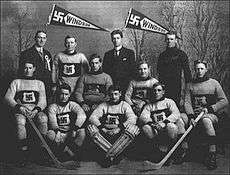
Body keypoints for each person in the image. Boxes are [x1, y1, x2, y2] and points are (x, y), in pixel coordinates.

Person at [184, 60, 229, 170]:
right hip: (194, 115)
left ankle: (212, 154)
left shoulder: (214, 83)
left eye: (201, 68)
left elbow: (224, 101)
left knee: (206, 121)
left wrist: (210, 108)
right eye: (197, 69)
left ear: (206, 69)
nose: (199, 71)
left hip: (210, 115)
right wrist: (190, 116)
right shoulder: (190, 84)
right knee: (181, 119)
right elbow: (187, 102)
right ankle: (183, 151)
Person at [4, 59, 47, 164]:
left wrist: (36, 111)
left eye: (30, 68)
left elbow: (43, 101)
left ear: (34, 69)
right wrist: (20, 108)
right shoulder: (16, 82)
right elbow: (7, 98)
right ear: (22, 69)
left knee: (43, 119)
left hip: (35, 110)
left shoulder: (39, 83)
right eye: (25, 67)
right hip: (21, 110)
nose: (27, 70)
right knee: (20, 123)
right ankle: (23, 153)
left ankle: (41, 152)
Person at [87, 85, 139, 167]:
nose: (113, 97)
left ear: (120, 94)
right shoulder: (103, 105)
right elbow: (92, 117)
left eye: (116, 94)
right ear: (108, 94)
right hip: (105, 133)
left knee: (134, 129)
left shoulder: (124, 105)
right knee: (91, 128)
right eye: (111, 94)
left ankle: (109, 156)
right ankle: (115, 155)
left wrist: (120, 128)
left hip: (120, 133)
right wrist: (102, 128)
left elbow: (132, 118)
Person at [139, 82, 186, 164]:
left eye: (159, 90)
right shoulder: (149, 105)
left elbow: (176, 113)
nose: (156, 92)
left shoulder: (169, 102)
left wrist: (165, 122)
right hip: (156, 130)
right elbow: (143, 117)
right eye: (154, 91)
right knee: (145, 128)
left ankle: (173, 151)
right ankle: (158, 152)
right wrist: (152, 124)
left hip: (169, 129)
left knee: (171, 126)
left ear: (163, 92)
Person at [46, 83, 87, 163]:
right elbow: (52, 121)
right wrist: (57, 132)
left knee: (82, 132)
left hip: (71, 132)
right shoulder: (53, 107)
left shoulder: (72, 104)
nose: (63, 97)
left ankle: (70, 153)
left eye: (66, 94)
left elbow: (82, 115)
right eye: (61, 94)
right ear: (58, 94)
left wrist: (75, 129)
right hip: (59, 132)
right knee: (49, 134)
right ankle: (66, 153)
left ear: (69, 95)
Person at [157, 31, 192, 108]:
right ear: (165, 40)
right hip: (164, 87)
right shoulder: (162, 56)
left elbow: (187, 73)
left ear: (176, 40)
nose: (169, 41)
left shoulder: (181, 54)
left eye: (171, 39)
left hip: (177, 87)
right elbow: (159, 73)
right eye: (167, 39)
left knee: (175, 108)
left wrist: (187, 90)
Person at [18, 30, 53, 102]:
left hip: (47, 87)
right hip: (33, 86)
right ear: (35, 39)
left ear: (46, 39)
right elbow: (21, 72)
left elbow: (50, 71)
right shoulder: (26, 53)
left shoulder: (47, 54)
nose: (42, 40)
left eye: (44, 38)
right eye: (39, 37)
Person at [103, 29, 136, 94]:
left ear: (121, 39)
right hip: (111, 86)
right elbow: (105, 71)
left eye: (118, 38)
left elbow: (132, 70)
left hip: (125, 85)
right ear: (111, 40)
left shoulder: (130, 53)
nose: (116, 40)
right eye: (114, 38)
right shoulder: (107, 54)